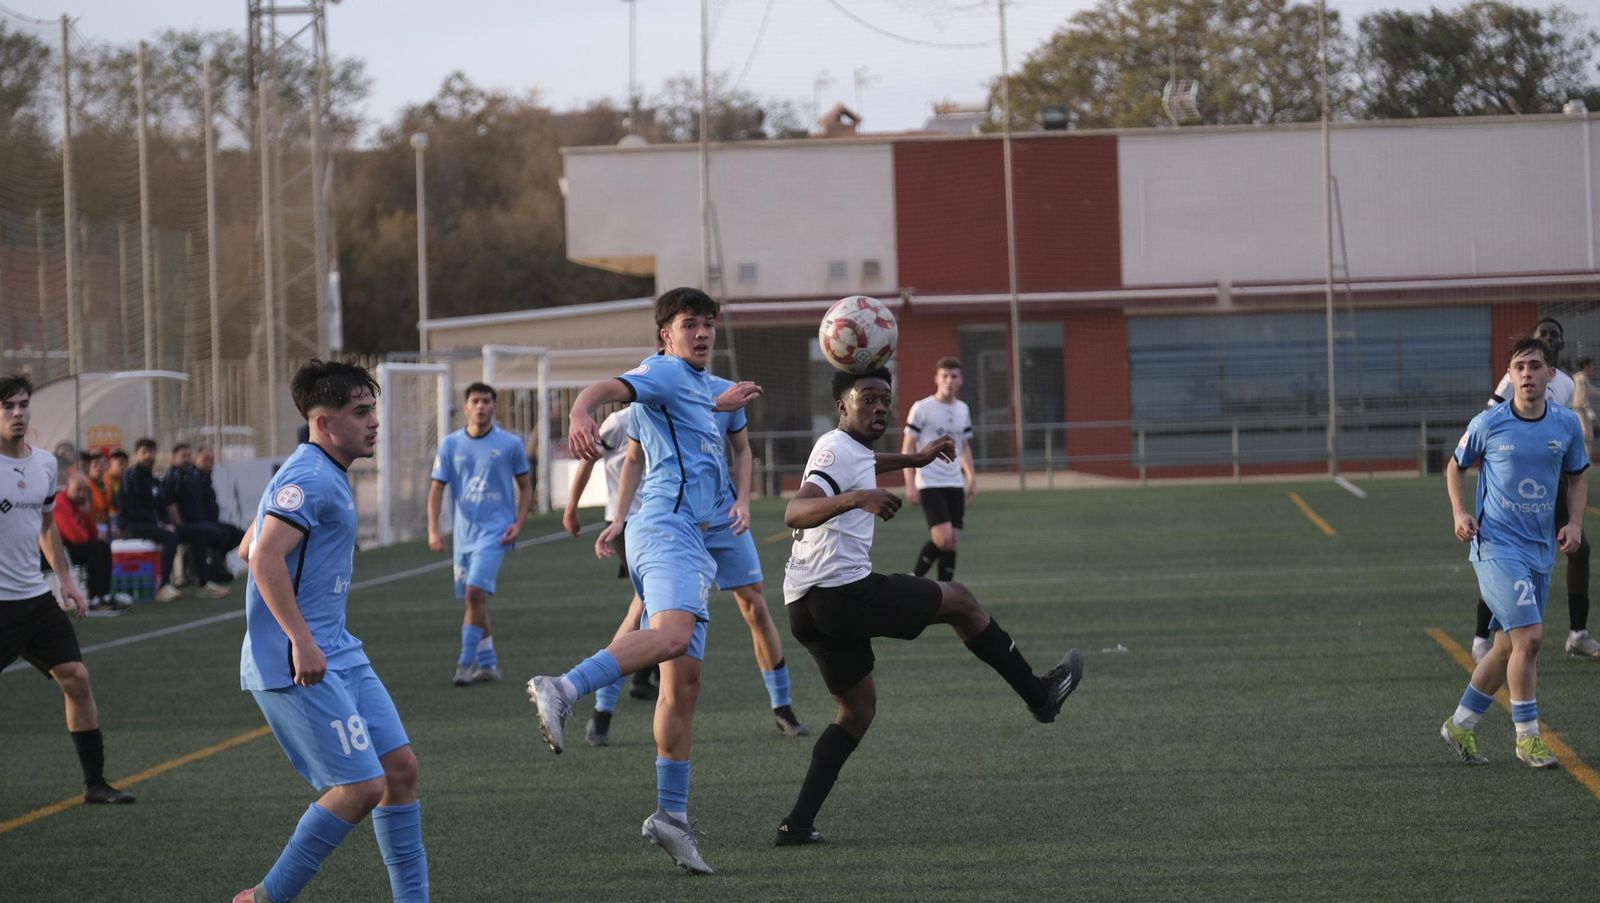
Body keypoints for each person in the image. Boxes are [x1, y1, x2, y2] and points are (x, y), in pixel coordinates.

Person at [773, 367, 1082, 846]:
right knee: (960, 600)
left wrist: (914, 458)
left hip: (805, 606)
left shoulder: (843, 447)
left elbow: (864, 462)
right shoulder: (834, 450)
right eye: (867, 398)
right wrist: (859, 499)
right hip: (843, 594)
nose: (879, 407)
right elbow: (795, 510)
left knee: (856, 713)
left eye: (884, 400)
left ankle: (798, 824)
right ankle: (1040, 698)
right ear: (842, 405)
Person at [525, 287, 762, 875]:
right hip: (663, 528)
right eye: (690, 324)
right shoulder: (660, 372)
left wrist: (742, 495)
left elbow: (729, 443)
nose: (702, 333)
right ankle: (564, 687)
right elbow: (607, 390)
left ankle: (672, 819)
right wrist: (580, 411)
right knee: (674, 637)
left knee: (682, 687)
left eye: (708, 324)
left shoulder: (713, 389)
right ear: (666, 335)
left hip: (698, 541)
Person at [232, 359, 429, 903]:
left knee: (400, 769)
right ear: (324, 423)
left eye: (373, 411)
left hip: (337, 649)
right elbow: (264, 558)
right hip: (292, 659)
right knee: (364, 786)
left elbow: (251, 543)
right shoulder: (309, 476)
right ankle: (264, 899)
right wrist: (300, 638)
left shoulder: (318, 472)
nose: (374, 424)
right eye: (360, 412)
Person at [585, 380, 809, 748]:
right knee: (641, 611)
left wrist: (742, 501)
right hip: (675, 521)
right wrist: (619, 519)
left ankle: (782, 707)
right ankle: (602, 709)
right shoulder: (651, 391)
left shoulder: (727, 392)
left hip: (722, 516)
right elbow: (633, 458)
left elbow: (741, 449)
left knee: (755, 604)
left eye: (704, 325)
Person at [1441, 337, 1587, 769]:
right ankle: (1528, 739)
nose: (1526, 374)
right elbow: (1455, 465)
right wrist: (1460, 513)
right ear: (1510, 375)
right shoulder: (1489, 423)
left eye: (1534, 366)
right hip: (1496, 546)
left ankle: (1460, 723)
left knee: (1506, 646)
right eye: (1519, 367)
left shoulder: (1565, 425)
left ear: (1549, 376)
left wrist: (1575, 522)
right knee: (1532, 638)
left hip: (1540, 549)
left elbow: (1578, 476)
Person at [0, 374, 136, 805]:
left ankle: (94, 784)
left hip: (34, 600)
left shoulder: (43, 464)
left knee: (76, 678)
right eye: (8, 407)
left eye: (23, 405)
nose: (18, 413)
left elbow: (46, 527)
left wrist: (64, 581)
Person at [1471, 318, 1600, 660]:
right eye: (1542, 334)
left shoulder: (1567, 384)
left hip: (1551, 484)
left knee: (1580, 550)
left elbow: (1565, 433)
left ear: (1559, 347)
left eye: (1554, 336)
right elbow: (1490, 418)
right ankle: (1481, 636)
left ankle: (1578, 633)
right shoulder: (1518, 374)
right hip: (1511, 485)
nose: (1548, 339)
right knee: (1504, 557)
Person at [426, 382, 532, 687]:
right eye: (476, 401)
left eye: (487, 401)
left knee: (474, 593)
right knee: (475, 602)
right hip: (464, 534)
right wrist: (434, 528)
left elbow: (525, 487)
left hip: (496, 532)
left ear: (494, 406)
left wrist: (519, 523)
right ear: (466, 407)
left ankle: (464, 664)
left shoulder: (510, 444)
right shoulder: (449, 445)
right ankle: (489, 664)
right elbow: (436, 489)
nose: (481, 406)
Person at [561, 403, 660, 710]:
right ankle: (602, 699)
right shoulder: (619, 422)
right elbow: (588, 461)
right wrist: (571, 507)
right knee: (645, 604)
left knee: (652, 603)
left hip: (659, 521)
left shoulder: (673, 410)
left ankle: (641, 679)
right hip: (626, 521)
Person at [901, 356, 977, 582]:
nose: (949, 381)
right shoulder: (922, 408)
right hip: (930, 482)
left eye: (954, 376)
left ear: (961, 380)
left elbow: (963, 446)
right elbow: (907, 446)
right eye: (945, 376)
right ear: (936, 379)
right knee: (942, 538)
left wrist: (971, 478)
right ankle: (913, 580)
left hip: (954, 482)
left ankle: (946, 590)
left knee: (952, 540)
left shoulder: (963, 409)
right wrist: (910, 483)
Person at [53, 474, 130, 617]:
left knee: (103, 546)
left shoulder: (77, 505)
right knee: (95, 549)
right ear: (67, 488)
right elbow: (75, 536)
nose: (82, 494)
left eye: (84, 490)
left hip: (70, 547)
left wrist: (86, 514)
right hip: (56, 551)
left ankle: (103, 596)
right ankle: (94, 600)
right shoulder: (61, 503)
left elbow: (92, 533)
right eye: (78, 490)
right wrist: (87, 532)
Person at [117, 438, 182, 602]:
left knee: (178, 532)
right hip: (132, 526)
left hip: (149, 525)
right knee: (170, 537)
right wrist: (159, 524)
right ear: (137, 454)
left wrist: (167, 523)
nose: (148, 456)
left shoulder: (154, 480)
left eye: (151, 452)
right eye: (144, 452)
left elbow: (162, 507)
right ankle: (162, 585)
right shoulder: (130, 476)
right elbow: (130, 508)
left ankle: (197, 580)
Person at [163, 442, 229, 598]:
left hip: (193, 523)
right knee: (200, 533)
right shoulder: (173, 476)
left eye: (188, 456)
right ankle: (167, 583)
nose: (186, 459)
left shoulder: (189, 475)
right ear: (174, 457)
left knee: (214, 533)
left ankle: (207, 579)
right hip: (177, 526)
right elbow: (171, 504)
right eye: (182, 456)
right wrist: (179, 525)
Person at [190, 445, 247, 584]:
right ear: (195, 460)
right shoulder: (192, 479)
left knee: (240, 534)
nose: (209, 463)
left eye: (211, 460)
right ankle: (214, 570)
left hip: (212, 522)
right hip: (199, 522)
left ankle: (218, 565)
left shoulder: (206, 479)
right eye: (205, 459)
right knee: (218, 534)